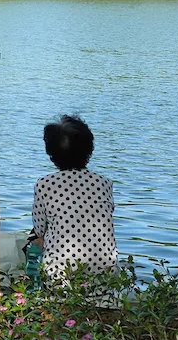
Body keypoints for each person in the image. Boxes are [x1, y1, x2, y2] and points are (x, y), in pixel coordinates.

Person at [32, 115, 117, 280]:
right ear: (89, 150)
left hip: (61, 275)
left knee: (35, 241)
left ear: (52, 153)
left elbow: (39, 230)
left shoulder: (44, 184)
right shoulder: (104, 183)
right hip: (105, 275)